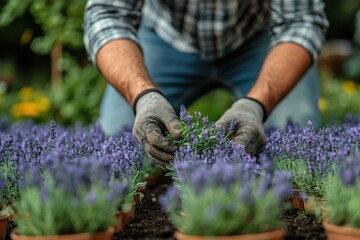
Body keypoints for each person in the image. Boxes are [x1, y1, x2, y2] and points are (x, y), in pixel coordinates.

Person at [83, 0, 329, 166]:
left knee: (296, 146)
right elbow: (107, 15)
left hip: (259, 41)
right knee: (119, 145)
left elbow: (301, 22)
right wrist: (143, 96)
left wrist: (256, 105)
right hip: (166, 38)